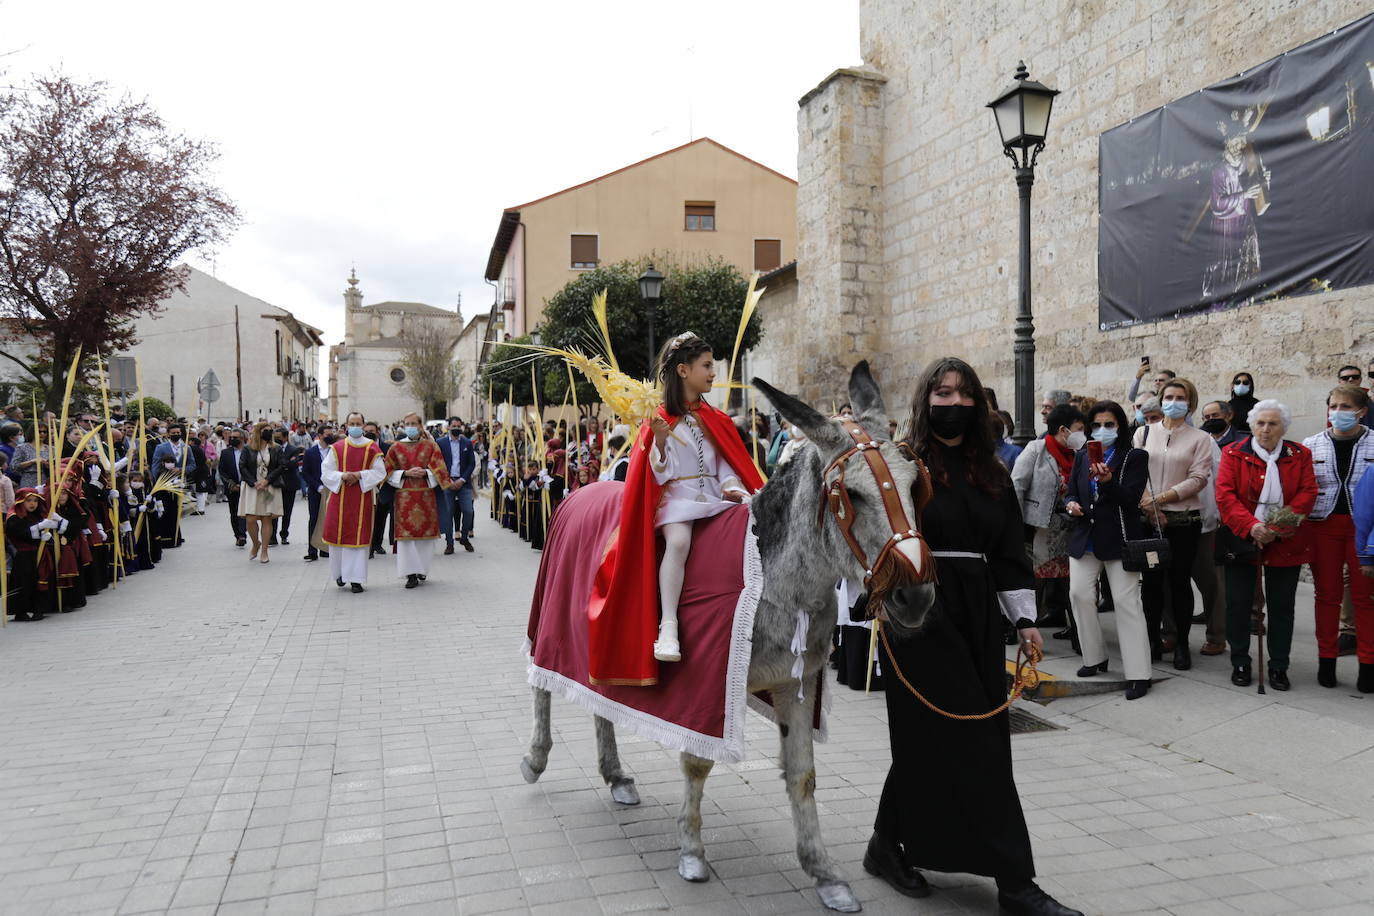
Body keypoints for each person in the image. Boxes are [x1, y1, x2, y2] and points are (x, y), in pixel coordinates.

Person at [867, 356, 1079, 916]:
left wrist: (1026, 620)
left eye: (965, 395)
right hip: (918, 612)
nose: (955, 403)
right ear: (925, 399)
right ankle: (1016, 883)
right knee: (975, 741)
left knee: (934, 737)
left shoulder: (992, 472)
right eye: (943, 392)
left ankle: (885, 846)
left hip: (979, 614)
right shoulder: (904, 465)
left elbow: (1010, 553)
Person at [587, 331, 763, 680]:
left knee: (757, 531)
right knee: (679, 541)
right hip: (676, 502)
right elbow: (655, 473)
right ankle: (668, 625)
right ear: (683, 370)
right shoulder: (659, 420)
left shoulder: (717, 419)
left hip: (713, 500)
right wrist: (662, 442)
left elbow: (727, 464)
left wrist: (734, 488)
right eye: (707, 366)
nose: (714, 373)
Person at [1215, 400, 1317, 691]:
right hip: (1242, 537)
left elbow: (1308, 493)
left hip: (1284, 540)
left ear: (1283, 426)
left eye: (1272, 423)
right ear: (1251, 425)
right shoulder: (1232, 453)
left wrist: (1275, 528)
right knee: (1237, 604)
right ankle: (1240, 661)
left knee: (1282, 606)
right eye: (1260, 423)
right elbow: (1225, 495)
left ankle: (1279, 666)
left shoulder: (1300, 454)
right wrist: (1252, 527)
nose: (1266, 429)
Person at [1064, 401, 1150, 698]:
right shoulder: (1082, 455)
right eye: (1097, 424)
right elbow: (1072, 490)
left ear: (1121, 426)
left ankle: (1139, 673)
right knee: (1079, 595)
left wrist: (1109, 482)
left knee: (1127, 604)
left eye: (1109, 424)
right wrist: (1071, 504)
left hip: (1119, 539)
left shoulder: (1134, 456)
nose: (1102, 430)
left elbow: (1131, 499)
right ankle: (1094, 657)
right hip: (1085, 536)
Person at [1133, 378, 1212, 670]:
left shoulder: (1200, 438)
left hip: (1182, 521)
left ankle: (1181, 644)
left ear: (1190, 403)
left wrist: (1163, 498)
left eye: (1180, 397)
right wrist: (1151, 507)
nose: (1174, 401)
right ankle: (1152, 639)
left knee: (1179, 582)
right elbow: (1135, 471)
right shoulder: (1142, 433)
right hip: (1148, 521)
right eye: (1169, 396)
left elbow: (1199, 478)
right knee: (1151, 583)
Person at [1302, 385, 1374, 691]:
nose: (1338, 412)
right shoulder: (1311, 444)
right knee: (1327, 597)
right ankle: (1326, 660)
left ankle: (1368, 666)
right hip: (1324, 527)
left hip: (1364, 530)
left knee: (1366, 600)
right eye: (1333, 406)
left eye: (1345, 407)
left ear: (1361, 411)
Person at [1011, 404, 1086, 637]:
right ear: (1064, 430)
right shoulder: (1037, 448)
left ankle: (1077, 631)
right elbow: (1017, 484)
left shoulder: (1079, 454)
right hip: (1040, 527)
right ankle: (1024, 629)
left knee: (1069, 580)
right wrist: (1017, 522)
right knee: (1036, 580)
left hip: (1070, 528)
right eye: (1079, 429)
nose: (1083, 434)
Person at [384, 414, 451, 589]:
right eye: (407, 424)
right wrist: (405, 473)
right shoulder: (396, 448)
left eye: (414, 423)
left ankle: (422, 569)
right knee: (407, 539)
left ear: (421, 426)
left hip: (426, 497)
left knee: (425, 538)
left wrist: (426, 473)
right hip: (404, 498)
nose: (410, 426)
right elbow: (387, 472)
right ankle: (410, 574)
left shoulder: (431, 446)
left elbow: (440, 469)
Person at [321, 413, 386, 593]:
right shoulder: (337, 447)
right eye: (352, 423)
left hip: (361, 498)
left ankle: (356, 579)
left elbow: (380, 472)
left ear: (364, 425)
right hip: (339, 496)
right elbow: (325, 471)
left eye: (358, 423)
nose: (355, 426)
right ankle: (340, 574)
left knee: (359, 539)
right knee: (338, 538)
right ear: (347, 425)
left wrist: (359, 475)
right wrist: (343, 476)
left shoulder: (372, 448)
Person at [239, 421, 285, 564]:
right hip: (253, 487)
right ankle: (255, 543)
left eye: (270, 430)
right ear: (258, 431)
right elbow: (243, 466)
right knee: (251, 518)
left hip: (269, 487)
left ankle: (264, 550)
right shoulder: (248, 448)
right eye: (265, 430)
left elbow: (281, 466)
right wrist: (254, 482)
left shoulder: (276, 448)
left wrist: (267, 481)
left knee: (266, 518)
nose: (269, 432)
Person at [6, 488, 50, 620]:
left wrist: (46, 534)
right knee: (24, 582)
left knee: (40, 579)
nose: (32, 504)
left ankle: (39, 609)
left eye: (35, 501)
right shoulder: (13, 517)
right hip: (24, 555)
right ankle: (20, 611)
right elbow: (19, 533)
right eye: (29, 500)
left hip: (39, 553)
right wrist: (39, 530)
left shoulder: (37, 515)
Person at [436, 419, 475, 554]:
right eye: (454, 426)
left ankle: (464, 537)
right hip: (447, 483)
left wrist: (462, 479)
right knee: (448, 513)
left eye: (459, 426)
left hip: (463, 483)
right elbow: (437, 463)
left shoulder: (467, 443)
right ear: (448, 427)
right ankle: (449, 543)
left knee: (468, 511)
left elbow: (471, 463)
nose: (456, 428)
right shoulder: (440, 443)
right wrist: (447, 480)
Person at [302, 425, 333, 561]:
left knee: (328, 520)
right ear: (319, 436)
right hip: (316, 491)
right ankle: (312, 549)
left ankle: (325, 549)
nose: (329, 436)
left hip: (332, 490)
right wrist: (317, 486)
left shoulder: (334, 451)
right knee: (314, 519)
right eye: (327, 434)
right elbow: (305, 473)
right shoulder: (310, 452)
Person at [218, 429, 248, 547]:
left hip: (246, 486)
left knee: (244, 512)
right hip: (232, 488)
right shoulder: (225, 453)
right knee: (234, 511)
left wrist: (245, 483)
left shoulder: (249, 451)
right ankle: (237, 535)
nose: (232, 439)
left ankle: (242, 535)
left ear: (242, 439)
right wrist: (231, 484)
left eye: (236, 437)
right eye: (231, 437)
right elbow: (222, 471)